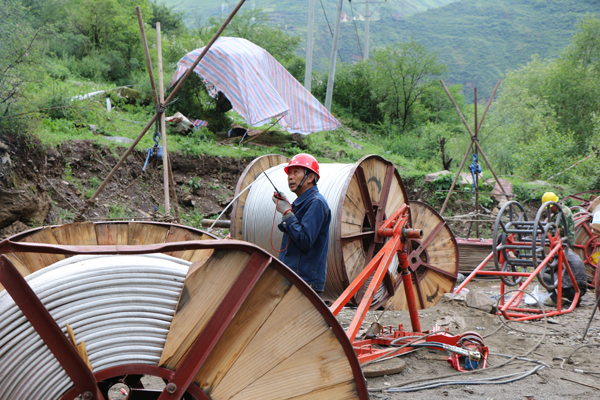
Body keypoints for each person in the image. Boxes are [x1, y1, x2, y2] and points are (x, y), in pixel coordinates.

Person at [271, 154, 331, 294]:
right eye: (289, 173)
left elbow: (304, 240)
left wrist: (287, 213)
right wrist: (289, 209)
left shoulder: (317, 203)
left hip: (305, 281)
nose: (290, 177)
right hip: (294, 278)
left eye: (296, 172)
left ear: (310, 178)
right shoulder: (302, 203)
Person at [541, 192, 587, 306]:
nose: (548, 211)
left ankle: (557, 299)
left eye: (548, 208)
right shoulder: (561, 210)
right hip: (562, 243)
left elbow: (557, 230)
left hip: (564, 242)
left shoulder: (563, 213)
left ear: (553, 205)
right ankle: (574, 297)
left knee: (547, 273)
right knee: (564, 267)